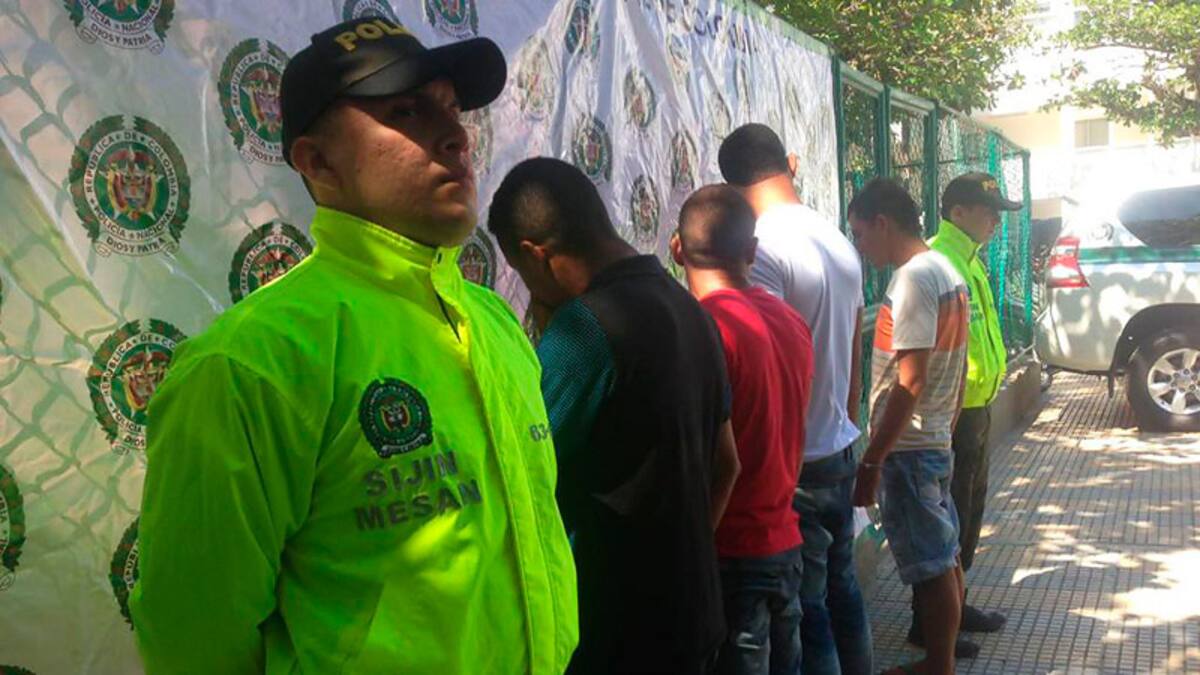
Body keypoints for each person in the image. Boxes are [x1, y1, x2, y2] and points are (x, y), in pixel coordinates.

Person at [129, 19, 578, 673]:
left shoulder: (494, 323)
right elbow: (194, 640)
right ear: (317, 162)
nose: (456, 135)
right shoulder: (251, 365)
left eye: (452, 108)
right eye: (406, 112)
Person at [488, 157, 740, 675]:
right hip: (694, 616)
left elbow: (518, 484)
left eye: (522, 273)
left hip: (616, 636)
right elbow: (728, 465)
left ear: (537, 256)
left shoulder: (584, 331)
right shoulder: (691, 309)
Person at [719, 123, 872, 674]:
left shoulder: (761, 248)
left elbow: (765, 362)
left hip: (796, 465)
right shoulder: (836, 239)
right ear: (791, 163)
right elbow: (854, 350)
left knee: (809, 609)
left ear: (732, 187)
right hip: (837, 445)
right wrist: (845, 424)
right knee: (843, 588)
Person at [671, 185, 815, 675]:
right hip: (784, 539)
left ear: (677, 250)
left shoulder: (700, 330)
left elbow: (710, 460)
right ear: (751, 251)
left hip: (730, 551)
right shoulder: (791, 321)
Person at [848, 178, 970, 675]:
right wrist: (946, 426)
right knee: (946, 557)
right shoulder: (945, 270)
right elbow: (956, 369)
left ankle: (939, 667)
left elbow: (911, 379)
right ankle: (939, 662)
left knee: (934, 566)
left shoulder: (913, 280)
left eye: (860, 233)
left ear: (883, 223)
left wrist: (873, 459)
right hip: (932, 437)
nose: (859, 246)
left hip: (910, 449)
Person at [913, 173, 1020, 654]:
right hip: (953, 412)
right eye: (988, 211)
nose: (997, 220)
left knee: (968, 511)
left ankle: (956, 603)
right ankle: (929, 621)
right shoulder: (938, 261)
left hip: (977, 404)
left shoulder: (969, 259)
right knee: (945, 519)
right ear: (957, 212)